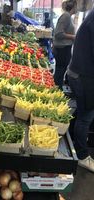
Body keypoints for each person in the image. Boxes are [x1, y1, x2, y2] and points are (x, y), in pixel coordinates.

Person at [67, 8, 94, 172]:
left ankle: (73, 142)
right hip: (83, 76)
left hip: (79, 72)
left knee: (82, 113)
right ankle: (82, 156)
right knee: (86, 116)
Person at [53, 0, 77, 90]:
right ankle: (56, 91)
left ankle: (57, 90)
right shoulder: (66, 16)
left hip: (63, 48)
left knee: (61, 70)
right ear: (73, 6)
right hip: (62, 49)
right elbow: (58, 33)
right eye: (76, 5)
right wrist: (73, 37)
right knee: (60, 71)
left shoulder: (68, 16)